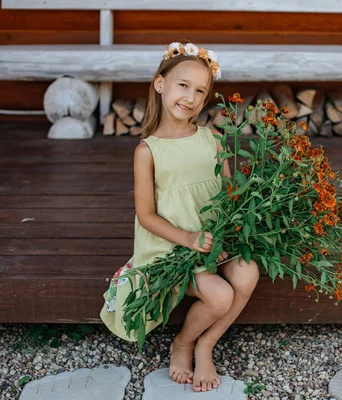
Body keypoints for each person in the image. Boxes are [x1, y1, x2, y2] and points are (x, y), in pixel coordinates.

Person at [100, 42, 260, 393]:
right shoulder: (148, 151)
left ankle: (207, 344)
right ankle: (184, 343)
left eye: (200, 90)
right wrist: (190, 240)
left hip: (211, 241)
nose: (190, 96)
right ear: (160, 84)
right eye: (182, 85)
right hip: (171, 248)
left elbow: (228, 194)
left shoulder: (213, 140)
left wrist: (225, 236)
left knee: (248, 273)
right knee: (219, 296)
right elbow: (145, 215)